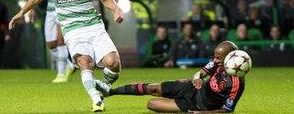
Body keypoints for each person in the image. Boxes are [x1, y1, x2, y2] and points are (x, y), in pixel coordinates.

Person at [9, 0, 124, 112]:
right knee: (85, 62)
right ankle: (96, 99)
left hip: (94, 27)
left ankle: (102, 87)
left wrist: (117, 9)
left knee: (113, 63)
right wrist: (21, 13)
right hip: (72, 30)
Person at [95, 41, 245, 113]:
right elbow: (200, 73)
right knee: (152, 88)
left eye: (218, 58)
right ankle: (111, 92)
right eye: (215, 57)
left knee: (151, 104)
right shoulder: (217, 62)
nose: (215, 60)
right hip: (191, 88)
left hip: (198, 106)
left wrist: (201, 113)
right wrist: (197, 77)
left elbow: (227, 110)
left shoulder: (236, 82)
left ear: (229, 57)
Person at [41, 0, 75, 83]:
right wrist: (31, 8)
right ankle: (69, 65)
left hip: (63, 10)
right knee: (51, 45)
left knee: (61, 41)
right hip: (49, 11)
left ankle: (61, 74)